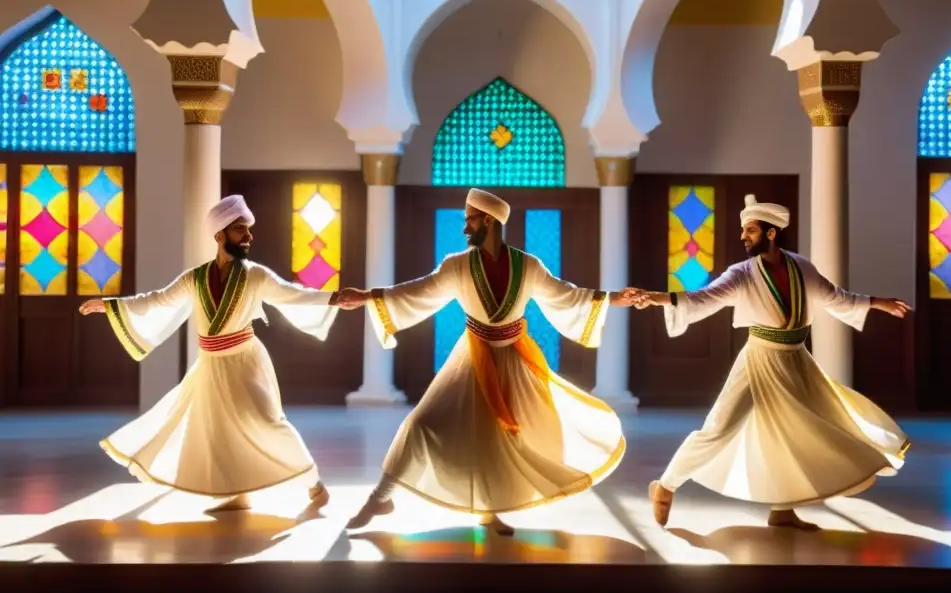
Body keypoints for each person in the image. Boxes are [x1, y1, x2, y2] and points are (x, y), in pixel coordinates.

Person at [335, 188, 630, 534]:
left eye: (469, 221)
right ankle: (380, 498)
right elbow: (417, 290)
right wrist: (368, 297)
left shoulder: (528, 266)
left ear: (487, 221)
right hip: (472, 358)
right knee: (420, 425)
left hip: (516, 361)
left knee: (501, 438)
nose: (464, 229)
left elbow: (566, 294)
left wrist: (612, 298)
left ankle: (491, 510)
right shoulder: (457, 265)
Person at [624, 194, 912, 531]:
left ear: (771, 233)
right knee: (720, 428)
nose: (742, 236)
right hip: (759, 359)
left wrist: (879, 303)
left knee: (796, 433)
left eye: (750, 230)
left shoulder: (801, 267)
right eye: (743, 230)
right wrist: (657, 298)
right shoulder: (742, 273)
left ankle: (783, 510)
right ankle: (665, 486)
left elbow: (835, 297)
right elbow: (704, 297)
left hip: (796, 361)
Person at [80, 194, 343, 514]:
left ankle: (313, 483)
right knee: (218, 433)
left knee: (268, 422)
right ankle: (238, 492)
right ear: (220, 236)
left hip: (245, 362)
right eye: (240, 230)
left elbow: (293, 295)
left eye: (248, 230)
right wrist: (110, 304)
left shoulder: (255, 275)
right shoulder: (196, 277)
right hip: (210, 366)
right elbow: (158, 300)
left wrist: (334, 298)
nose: (249, 236)